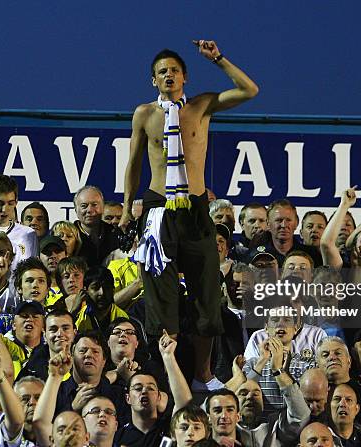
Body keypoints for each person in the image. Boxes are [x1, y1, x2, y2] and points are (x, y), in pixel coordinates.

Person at [120, 40, 258, 391]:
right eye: (162, 71)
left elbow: (249, 89)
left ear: (185, 76)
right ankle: (170, 373)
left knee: (207, 293)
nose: (169, 74)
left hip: (195, 208)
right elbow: (133, 164)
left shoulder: (202, 105)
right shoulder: (144, 114)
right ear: (153, 80)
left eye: (175, 70)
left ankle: (203, 375)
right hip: (157, 208)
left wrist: (219, 59)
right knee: (162, 295)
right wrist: (124, 210)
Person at [115, 331, 193, 446]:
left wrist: (168, 356)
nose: (144, 391)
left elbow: (184, 402)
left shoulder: (169, 427)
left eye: (151, 388)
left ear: (159, 397)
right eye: (137, 388)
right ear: (128, 398)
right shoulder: (118, 436)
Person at [315, 336, 361, 429]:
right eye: (325, 355)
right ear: (317, 365)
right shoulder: (311, 399)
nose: (332, 357)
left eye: (338, 353)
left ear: (349, 361)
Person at [0, 174, 39, 261]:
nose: (4, 209)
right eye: (1, 203)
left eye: (10, 203)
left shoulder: (28, 234)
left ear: (16, 201)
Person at [72, 185, 119, 267]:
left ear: (103, 207)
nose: (90, 210)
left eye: (94, 205)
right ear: (76, 209)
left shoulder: (115, 234)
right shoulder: (69, 236)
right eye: (84, 206)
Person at [13, 376, 45, 446]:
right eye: (25, 399)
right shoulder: (2, 438)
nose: (32, 402)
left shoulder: (59, 436)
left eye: (38, 398)